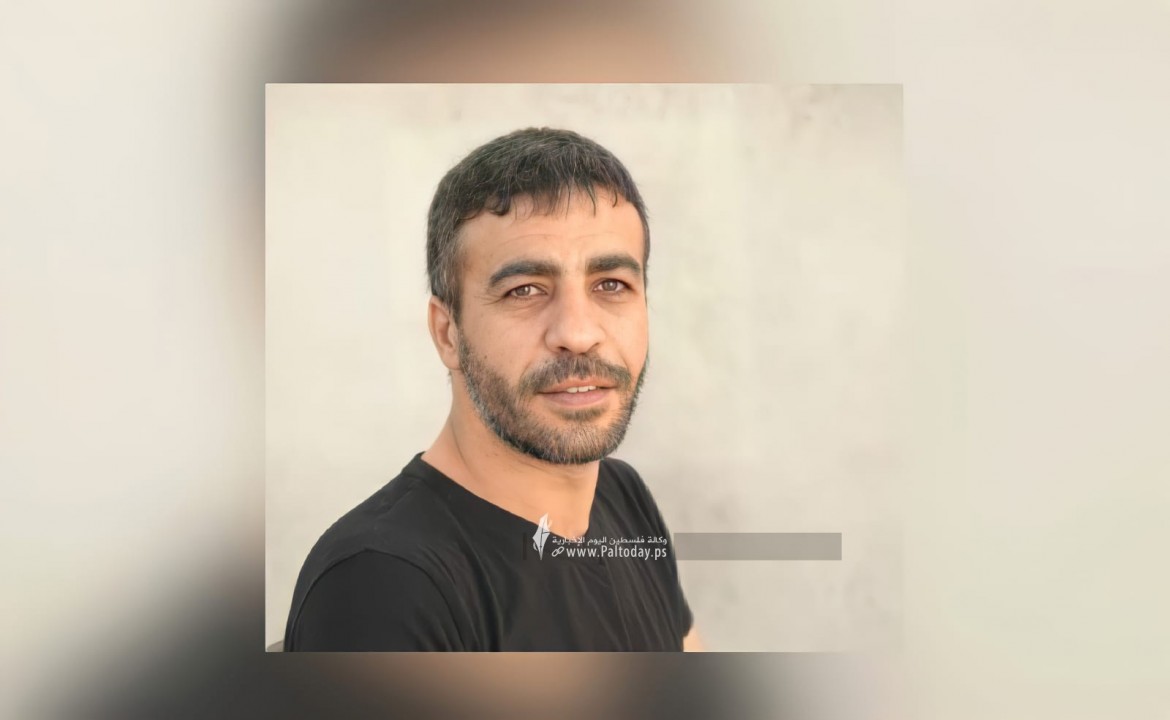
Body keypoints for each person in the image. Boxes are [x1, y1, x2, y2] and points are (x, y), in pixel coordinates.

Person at [283, 127, 702, 651]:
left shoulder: (622, 498)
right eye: (524, 290)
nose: (577, 333)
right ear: (448, 333)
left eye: (611, 285)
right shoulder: (382, 585)